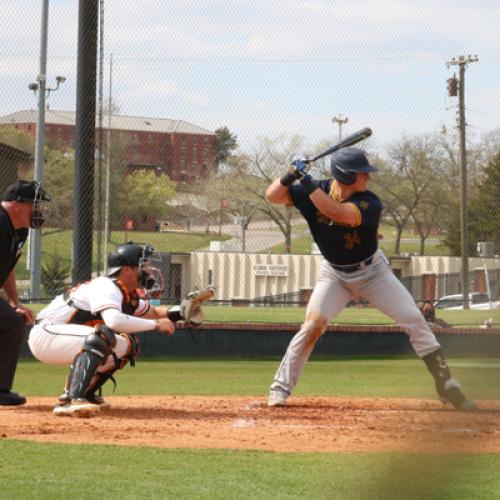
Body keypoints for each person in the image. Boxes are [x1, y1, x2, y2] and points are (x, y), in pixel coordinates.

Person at [265, 147, 476, 411]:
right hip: (334, 273)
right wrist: (291, 173)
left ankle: (447, 386)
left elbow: (338, 214)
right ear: (345, 176)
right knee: (312, 325)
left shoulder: (369, 202)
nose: (368, 178)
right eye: (363, 174)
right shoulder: (313, 190)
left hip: (372, 273)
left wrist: (305, 180)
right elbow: (272, 196)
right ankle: (280, 388)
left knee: (414, 319)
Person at [28, 242, 178, 417]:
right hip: (45, 335)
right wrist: (157, 325)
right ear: (127, 269)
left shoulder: (124, 292)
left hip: (62, 339)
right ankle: (73, 398)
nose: (148, 271)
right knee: (103, 336)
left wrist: (184, 311)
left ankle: (85, 393)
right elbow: (114, 321)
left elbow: (155, 311)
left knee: (129, 345)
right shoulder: (106, 286)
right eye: (142, 266)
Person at [0, 180, 51, 406]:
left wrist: (15, 302)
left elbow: (7, 268)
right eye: (35, 205)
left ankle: (0, 389)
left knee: (13, 321)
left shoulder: (19, 230)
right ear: (18, 205)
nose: (38, 211)